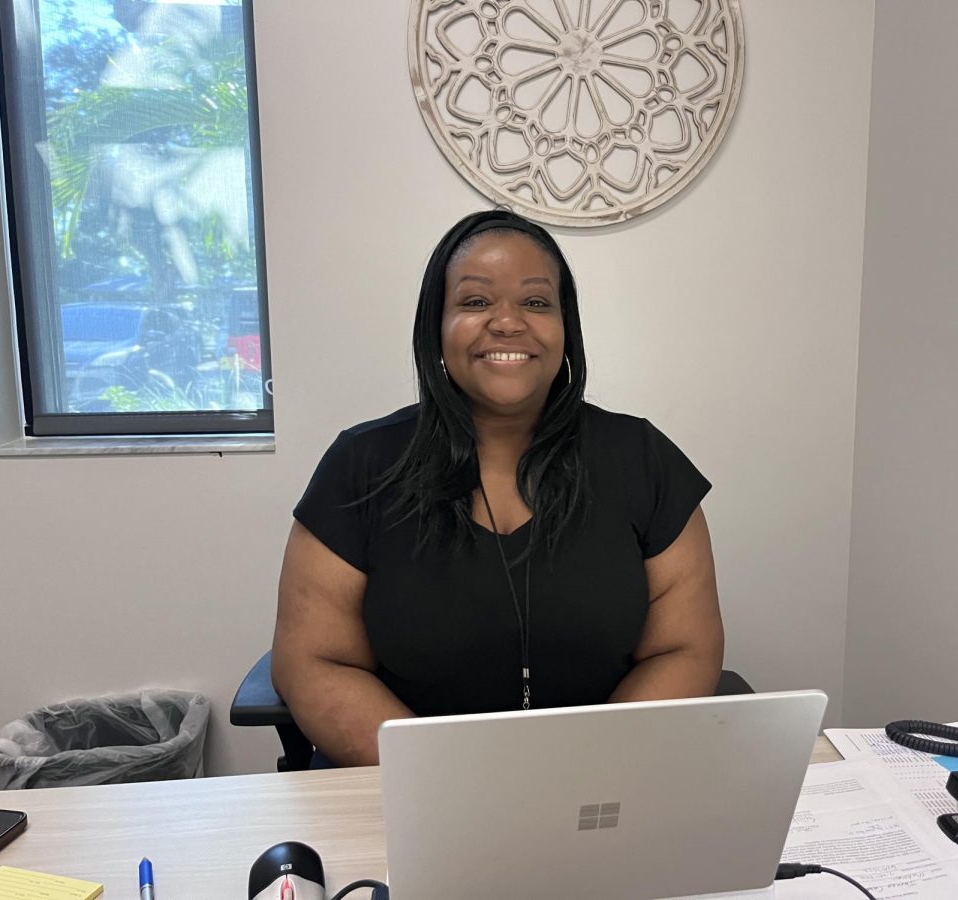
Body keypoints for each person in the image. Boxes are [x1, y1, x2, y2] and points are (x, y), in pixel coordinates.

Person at [271, 210, 724, 767]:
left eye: (535, 303)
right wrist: (443, 783)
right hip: (407, 792)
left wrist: (585, 771)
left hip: (603, 786)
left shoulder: (643, 459)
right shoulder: (360, 466)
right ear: (436, 326)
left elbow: (686, 649)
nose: (508, 323)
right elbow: (315, 662)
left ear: (566, 328)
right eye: (476, 302)